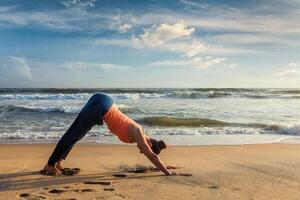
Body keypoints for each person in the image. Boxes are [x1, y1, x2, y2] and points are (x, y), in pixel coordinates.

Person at [43, 93, 178, 176]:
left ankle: (57, 162)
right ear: (150, 144)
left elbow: (152, 156)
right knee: (74, 135)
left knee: (75, 134)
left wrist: (165, 166)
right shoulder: (139, 135)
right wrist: (168, 173)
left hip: (102, 100)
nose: (142, 152)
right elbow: (152, 156)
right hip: (102, 105)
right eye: (144, 150)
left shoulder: (139, 132)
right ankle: (50, 165)